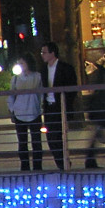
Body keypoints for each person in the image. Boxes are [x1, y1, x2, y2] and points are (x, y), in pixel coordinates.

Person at [38, 41, 78, 171]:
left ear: (52, 53)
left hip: (60, 107)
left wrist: (66, 103)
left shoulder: (66, 68)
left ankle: (64, 164)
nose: (42, 55)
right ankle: (62, 164)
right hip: (49, 107)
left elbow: (72, 88)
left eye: (44, 52)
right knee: (51, 138)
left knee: (59, 136)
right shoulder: (43, 70)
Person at [81, 60, 105, 170]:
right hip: (101, 111)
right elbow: (104, 97)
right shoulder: (104, 77)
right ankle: (90, 161)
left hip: (99, 111)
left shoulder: (99, 78)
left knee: (96, 136)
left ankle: (90, 160)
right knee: (97, 135)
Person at [8, 56, 44, 173]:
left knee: (36, 142)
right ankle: (25, 167)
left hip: (34, 112)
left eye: (22, 63)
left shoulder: (37, 77)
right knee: (22, 142)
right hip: (20, 113)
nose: (20, 65)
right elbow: (11, 95)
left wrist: (40, 107)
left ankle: (37, 167)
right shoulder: (15, 79)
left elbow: (41, 94)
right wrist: (12, 110)